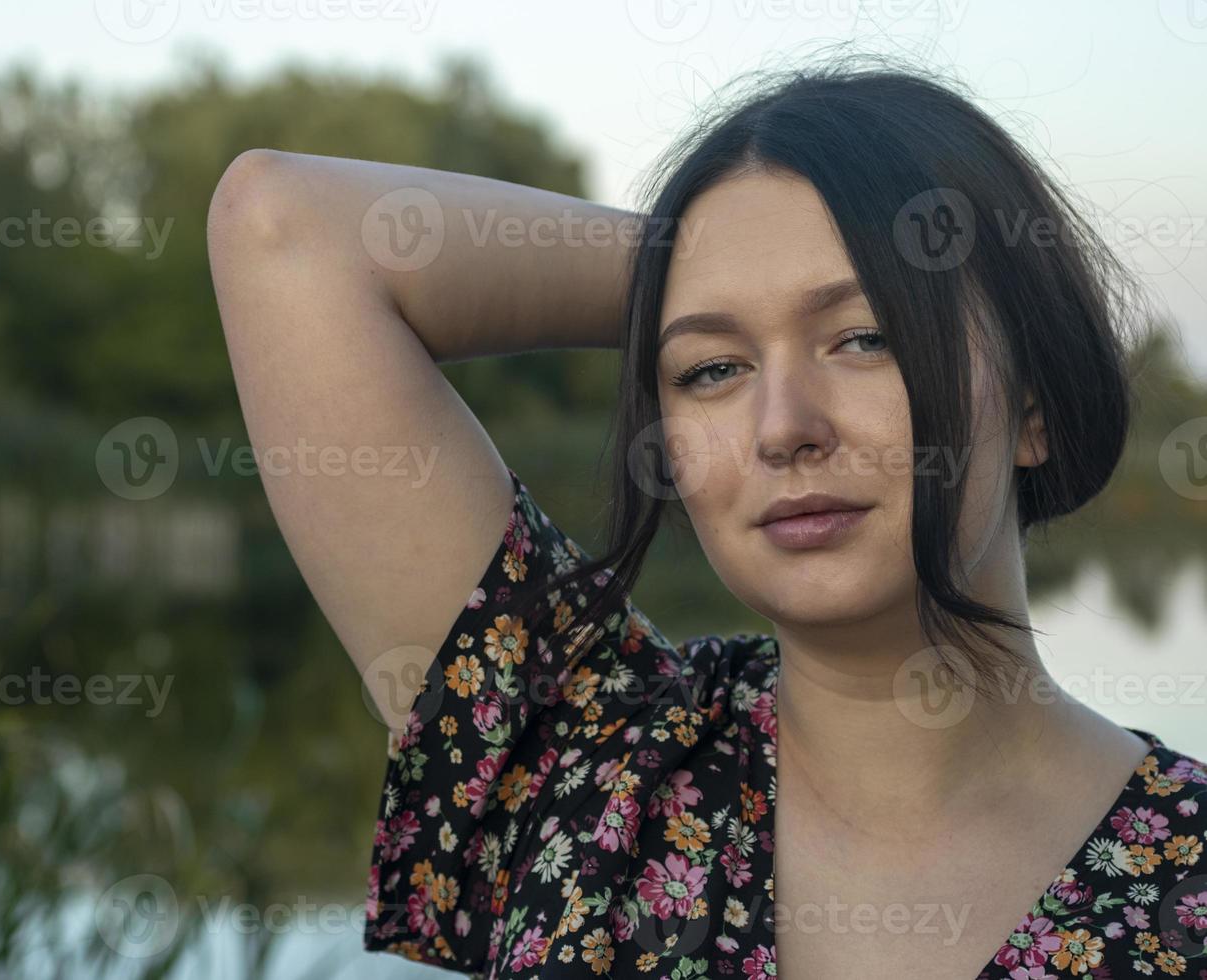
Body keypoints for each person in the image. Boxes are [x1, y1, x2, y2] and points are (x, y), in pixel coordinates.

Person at [206, 59, 1207, 980]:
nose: (783, 428)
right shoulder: (585, 761)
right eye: (712, 369)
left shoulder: (1189, 881)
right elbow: (284, 228)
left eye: (866, 336)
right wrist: (706, 268)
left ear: (1032, 406)